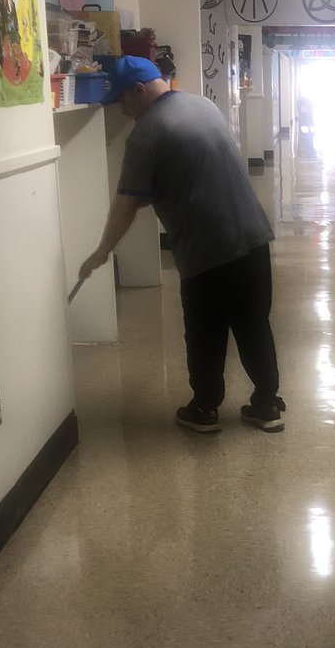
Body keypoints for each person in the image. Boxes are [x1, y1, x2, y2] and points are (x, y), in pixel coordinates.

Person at [77, 56, 285, 434]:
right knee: (253, 323)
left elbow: (127, 204)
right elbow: (179, 175)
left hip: (206, 249)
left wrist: (102, 250)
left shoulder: (145, 134)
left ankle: (204, 410)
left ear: (140, 91)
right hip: (253, 237)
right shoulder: (202, 105)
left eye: (122, 101)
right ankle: (267, 405)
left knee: (205, 331)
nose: (123, 111)